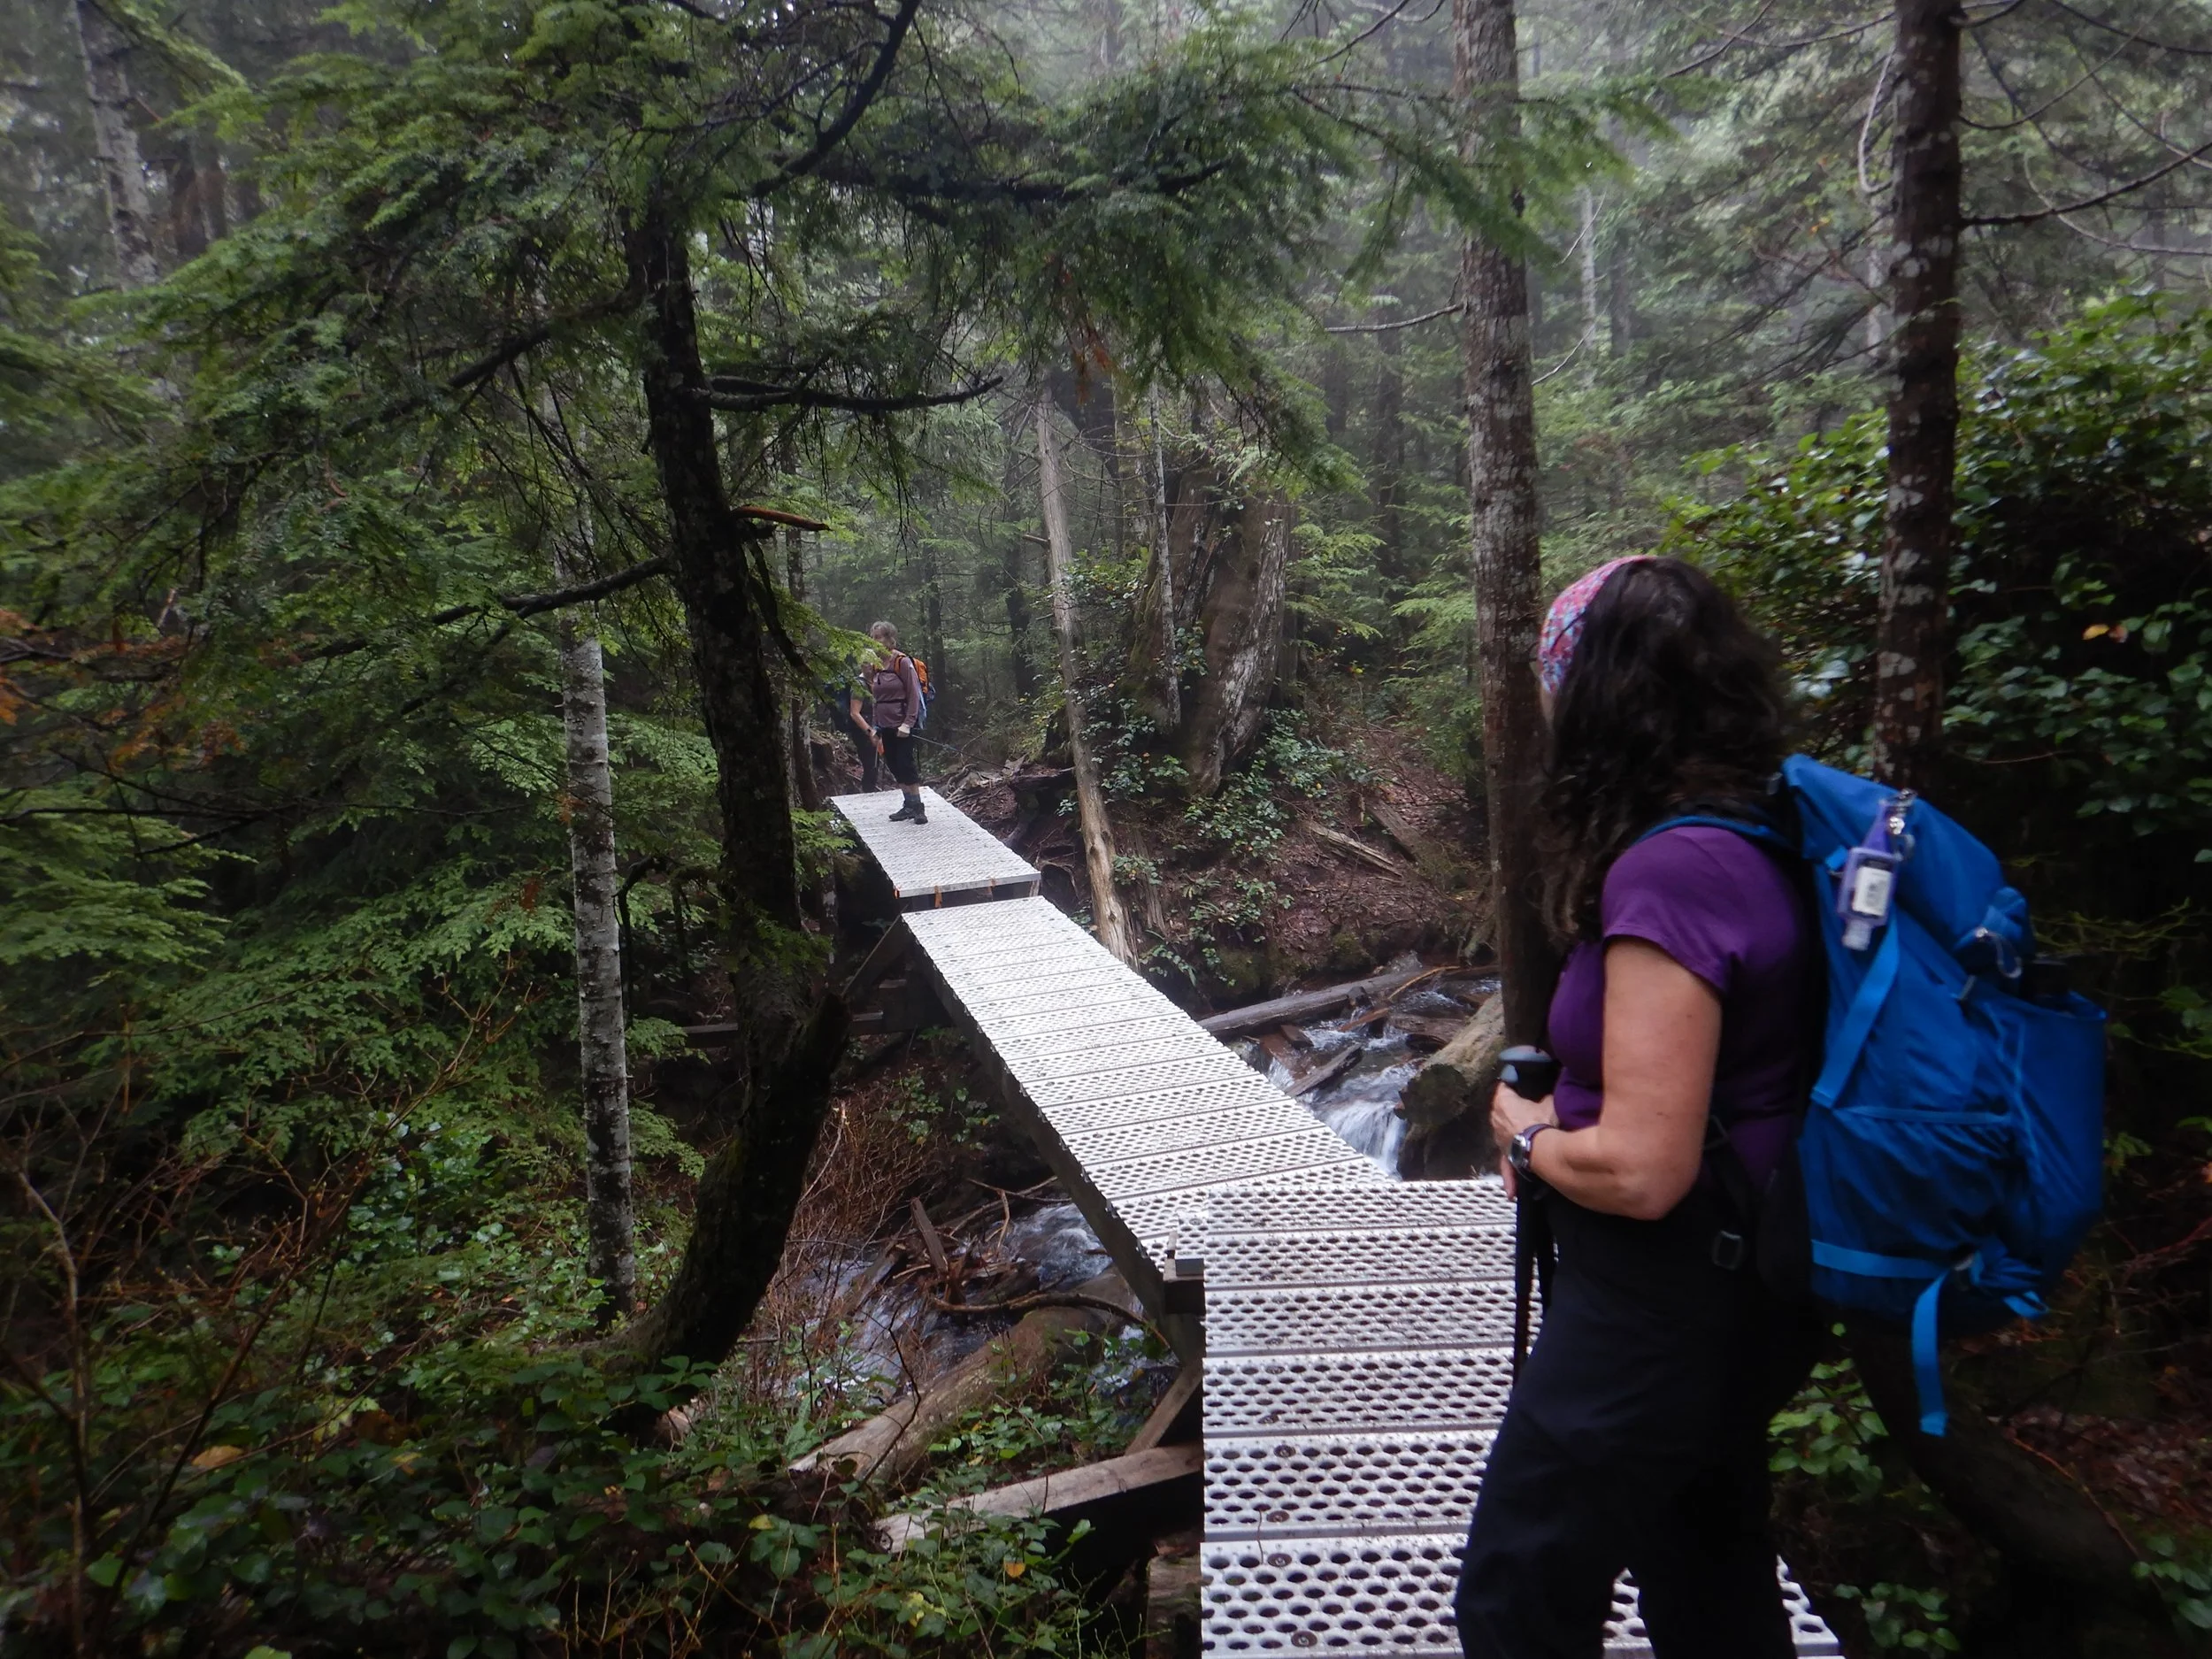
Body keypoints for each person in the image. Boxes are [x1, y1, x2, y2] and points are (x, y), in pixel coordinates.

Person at [1455, 557, 1821, 1659]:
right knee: (1707, 1573)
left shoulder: (1676, 873)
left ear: (1601, 699)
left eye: (1554, 684)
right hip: (1742, 1284)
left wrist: (1530, 1134)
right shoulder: (1760, 832)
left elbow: (1643, 1166)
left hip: (1664, 1300)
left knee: (1517, 1592)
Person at [866, 621, 927, 825]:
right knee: (893, 763)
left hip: (903, 724)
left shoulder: (902, 662)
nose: (875, 641)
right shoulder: (876, 665)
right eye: (873, 637)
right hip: (885, 724)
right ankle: (908, 804)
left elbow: (914, 695)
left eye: (879, 637)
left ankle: (918, 807)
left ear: (890, 639)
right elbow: (876, 698)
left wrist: (908, 723)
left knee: (905, 762)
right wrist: (875, 725)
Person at [820, 659, 879, 792]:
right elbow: (854, 713)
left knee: (874, 765)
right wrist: (870, 732)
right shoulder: (858, 685)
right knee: (871, 765)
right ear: (860, 665)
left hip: (873, 728)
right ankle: (868, 796)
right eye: (865, 662)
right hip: (862, 730)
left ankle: (871, 794)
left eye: (872, 662)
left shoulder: (874, 682)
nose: (869, 665)